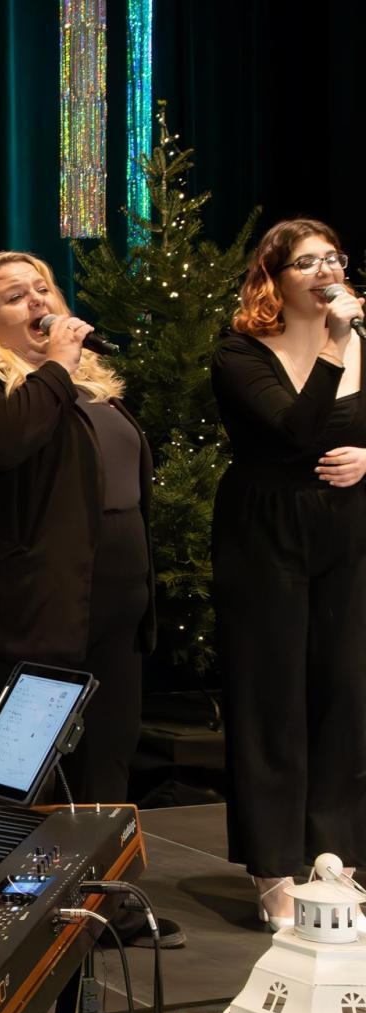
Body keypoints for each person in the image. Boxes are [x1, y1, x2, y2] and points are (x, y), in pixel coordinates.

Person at [0, 251, 180, 948]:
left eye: (43, 288)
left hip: (110, 604)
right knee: (24, 770)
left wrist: (68, 374)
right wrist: (55, 369)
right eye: (13, 296)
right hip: (21, 609)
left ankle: (103, 900)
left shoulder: (91, 384)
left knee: (108, 756)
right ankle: (23, 910)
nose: (36, 302)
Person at [212, 219, 366, 930]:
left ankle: (339, 858)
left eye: (332, 258)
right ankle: (274, 867)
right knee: (271, 694)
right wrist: (335, 344)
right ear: (273, 278)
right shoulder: (240, 353)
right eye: (306, 262)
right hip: (265, 529)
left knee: (345, 689)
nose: (325, 270)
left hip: (350, 528)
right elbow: (296, 431)